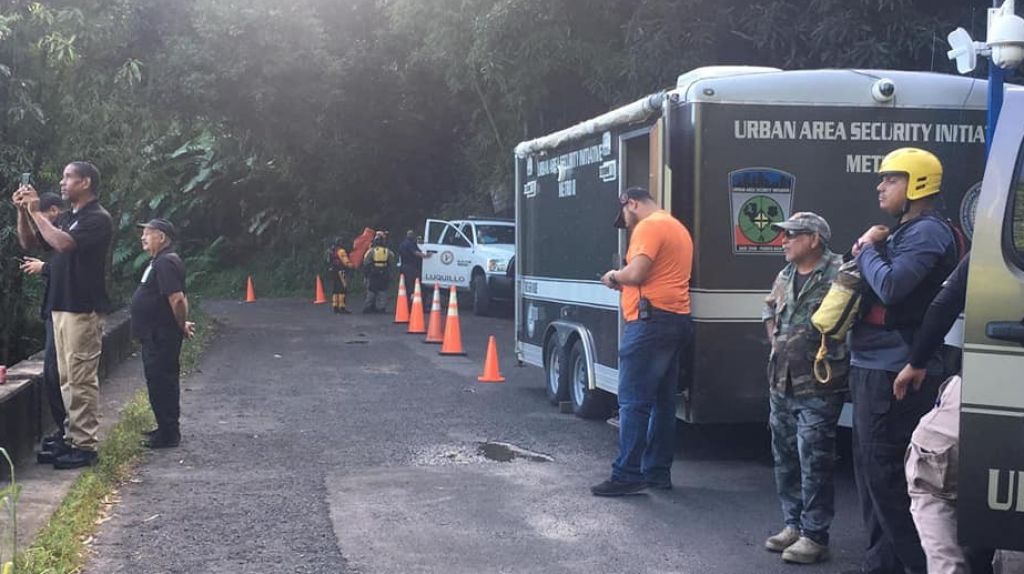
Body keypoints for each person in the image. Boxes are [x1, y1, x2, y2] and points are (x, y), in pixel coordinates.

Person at [847, 148, 961, 574]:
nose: (880, 186)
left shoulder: (928, 233)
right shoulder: (902, 232)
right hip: (871, 365)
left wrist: (866, 250)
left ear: (916, 186)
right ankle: (881, 566)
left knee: (890, 479)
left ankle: (918, 566)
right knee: (870, 478)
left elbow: (893, 287)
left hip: (896, 371)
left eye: (890, 179)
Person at [894, 255, 995, 574]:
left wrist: (917, 361)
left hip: (990, 381)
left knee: (929, 473)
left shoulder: (1002, 234)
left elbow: (944, 304)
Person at [591, 187, 693, 497]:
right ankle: (657, 473)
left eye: (624, 214)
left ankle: (626, 475)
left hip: (649, 323)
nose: (627, 221)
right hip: (675, 319)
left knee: (633, 402)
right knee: (663, 404)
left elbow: (637, 272)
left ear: (631, 203)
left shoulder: (649, 226)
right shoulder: (677, 227)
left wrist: (613, 276)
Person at [12, 161, 112, 469]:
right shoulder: (70, 217)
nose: (62, 181)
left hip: (82, 308)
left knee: (80, 378)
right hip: (61, 305)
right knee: (65, 378)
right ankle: (71, 437)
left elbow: (64, 244)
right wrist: (24, 212)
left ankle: (85, 446)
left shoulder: (97, 218)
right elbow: (31, 242)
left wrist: (38, 211)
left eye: (68, 177)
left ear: (86, 182)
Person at [761, 212, 848, 564]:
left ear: (814, 239)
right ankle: (793, 525)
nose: (783, 241)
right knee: (784, 456)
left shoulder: (841, 273)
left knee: (814, 457)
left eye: (791, 235)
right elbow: (768, 308)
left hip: (819, 384)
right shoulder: (785, 274)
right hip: (781, 382)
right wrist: (775, 342)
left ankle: (815, 535)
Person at [131, 219, 195, 449]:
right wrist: (181, 321)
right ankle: (164, 428)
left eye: (148, 234)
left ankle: (169, 434)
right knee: (157, 382)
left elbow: (177, 299)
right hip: (155, 334)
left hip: (161, 335)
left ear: (162, 237)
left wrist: (179, 325)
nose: (143, 237)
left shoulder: (166, 262)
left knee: (162, 382)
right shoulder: (159, 261)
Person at [17, 192, 67, 463]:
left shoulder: (68, 232)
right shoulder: (52, 235)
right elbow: (27, 242)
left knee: (60, 374)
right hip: (54, 311)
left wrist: (44, 268)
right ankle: (63, 431)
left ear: (54, 211)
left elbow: (73, 267)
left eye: (43, 214)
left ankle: (68, 434)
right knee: (51, 373)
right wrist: (23, 212)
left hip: (69, 312)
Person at [362, 231, 395, 313]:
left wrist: (366, 274)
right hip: (384, 273)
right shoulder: (387, 251)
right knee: (383, 291)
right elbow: (391, 261)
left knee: (371, 290)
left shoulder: (371, 251)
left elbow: (366, 262)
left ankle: (368, 307)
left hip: (373, 273)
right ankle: (382, 308)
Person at [398, 230, 431, 304]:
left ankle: (406, 303)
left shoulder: (402, 244)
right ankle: (412, 303)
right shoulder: (410, 244)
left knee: (406, 286)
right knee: (413, 286)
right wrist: (426, 256)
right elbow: (416, 253)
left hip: (403, 267)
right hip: (411, 268)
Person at [328, 237, 354, 314]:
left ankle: (335, 306)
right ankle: (342, 307)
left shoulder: (332, 251)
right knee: (342, 289)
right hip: (340, 271)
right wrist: (351, 265)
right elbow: (345, 262)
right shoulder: (341, 251)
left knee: (335, 289)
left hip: (333, 271)